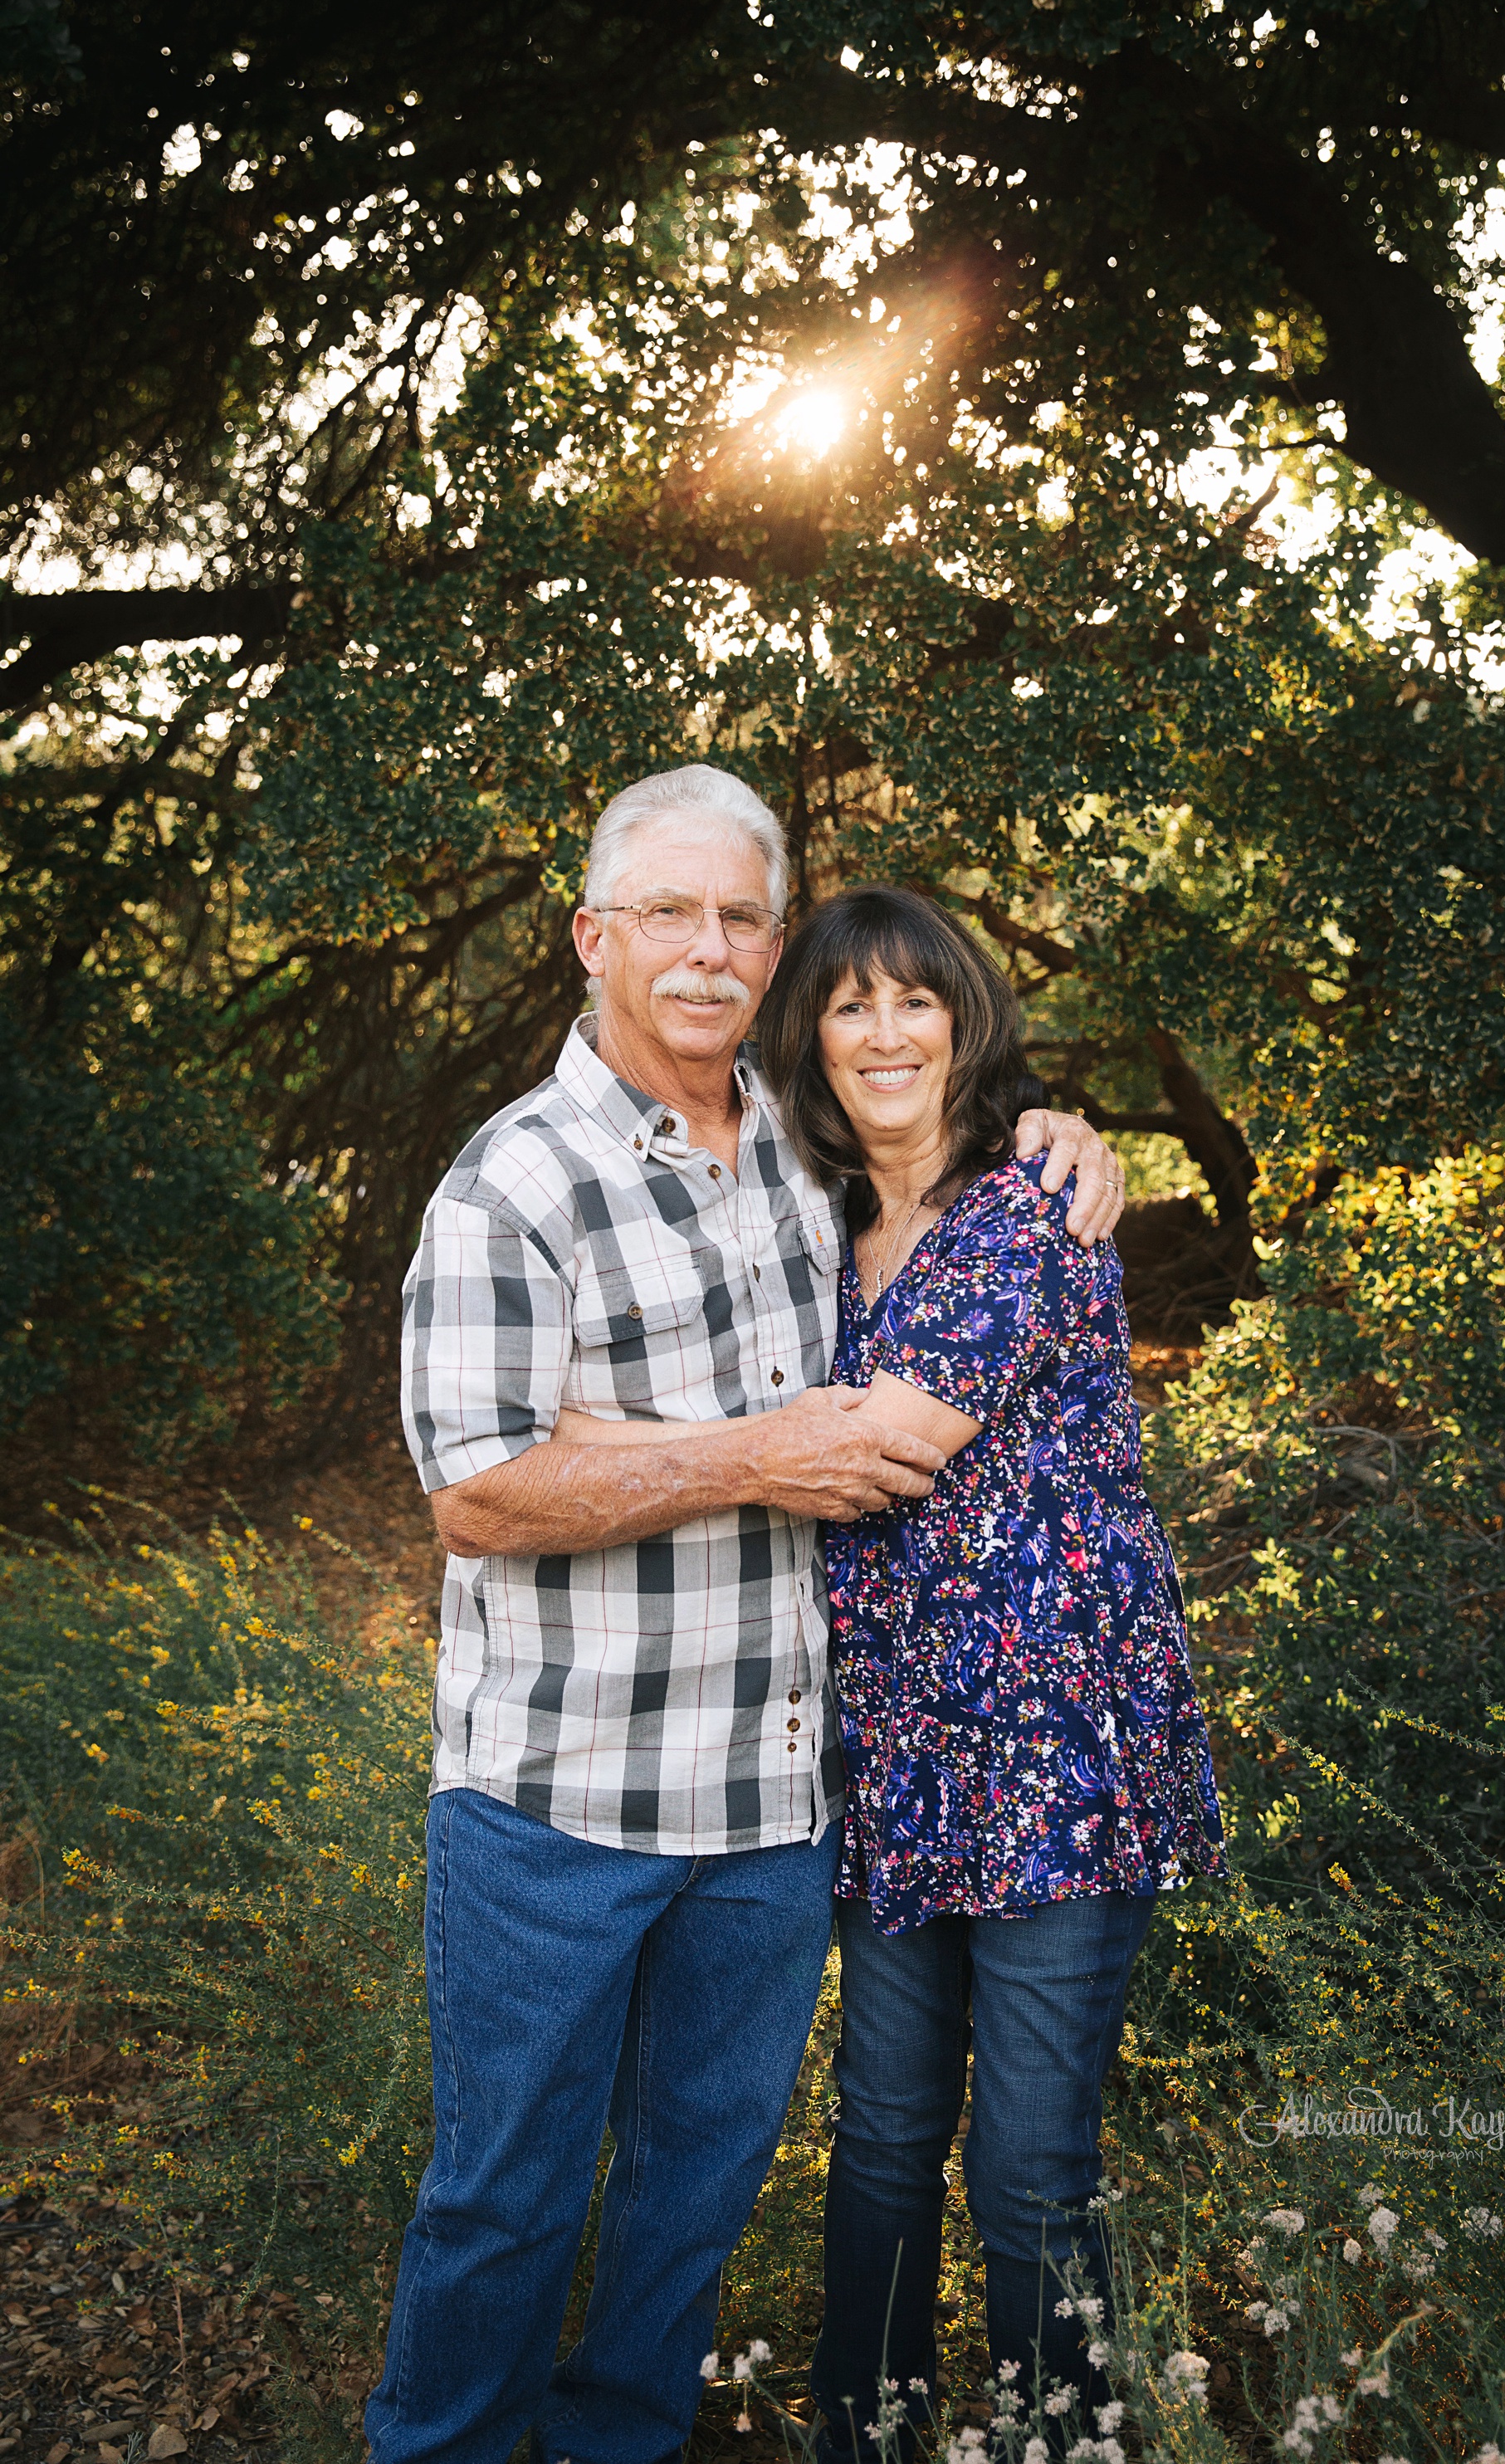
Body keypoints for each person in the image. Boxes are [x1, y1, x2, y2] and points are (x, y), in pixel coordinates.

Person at [364, 766, 1126, 2464]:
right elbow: (478, 1494)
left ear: (769, 947)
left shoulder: (801, 1149)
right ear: (590, 938)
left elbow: (942, 1137)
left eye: (739, 919)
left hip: (780, 1811)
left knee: (688, 2206)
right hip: (561, 1807)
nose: (706, 953)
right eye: (667, 915)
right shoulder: (513, 1187)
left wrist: (1060, 1138)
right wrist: (753, 1455)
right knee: (503, 2204)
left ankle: (622, 2444)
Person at [755, 886, 1226, 2443]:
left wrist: (604, 1460)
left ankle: (1057, 2441)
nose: (885, 1032)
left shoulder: (1025, 1210)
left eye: (917, 999)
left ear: (965, 1020)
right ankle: (863, 2439)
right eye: (847, 1005)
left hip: (1056, 1758)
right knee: (881, 2148)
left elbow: (888, 1449)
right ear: (809, 1041)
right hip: (898, 1762)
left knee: (1028, 2176)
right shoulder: (819, 1233)